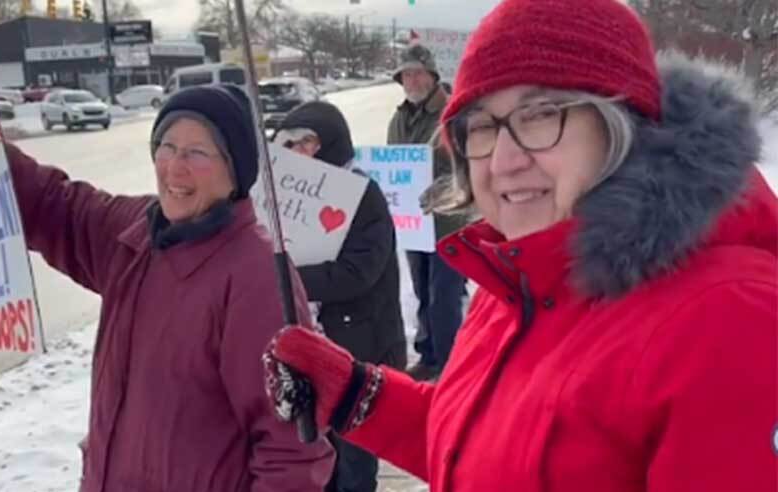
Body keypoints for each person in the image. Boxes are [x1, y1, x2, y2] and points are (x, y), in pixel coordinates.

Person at [264, 0, 778, 490]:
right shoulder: (518, 279)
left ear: (622, 126)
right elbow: (489, 452)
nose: (504, 159)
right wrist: (357, 395)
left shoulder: (730, 321)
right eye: (481, 127)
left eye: (541, 114)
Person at [0, 84, 334, 491]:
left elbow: (293, 452)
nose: (175, 167)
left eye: (198, 152)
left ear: (235, 173)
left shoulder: (255, 277)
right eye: (166, 146)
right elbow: (51, 204)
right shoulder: (133, 233)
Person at [273, 101, 406, 492]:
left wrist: (287, 276)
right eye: (291, 143)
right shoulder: (284, 196)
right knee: (319, 457)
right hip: (310, 348)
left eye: (309, 142)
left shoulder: (362, 193)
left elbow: (358, 272)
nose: (301, 152)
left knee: (355, 460)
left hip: (361, 347)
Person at [389, 43, 468, 381]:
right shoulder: (399, 117)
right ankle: (429, 354)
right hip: (413, 223)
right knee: (422, 290)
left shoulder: (452, 113)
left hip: (448, 221)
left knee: (443, 295)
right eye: (406, 74)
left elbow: (467, 163)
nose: (411, 79)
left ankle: (451, 364)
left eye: (417, 72)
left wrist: (444, 186)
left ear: (432, 75)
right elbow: (392, 164)